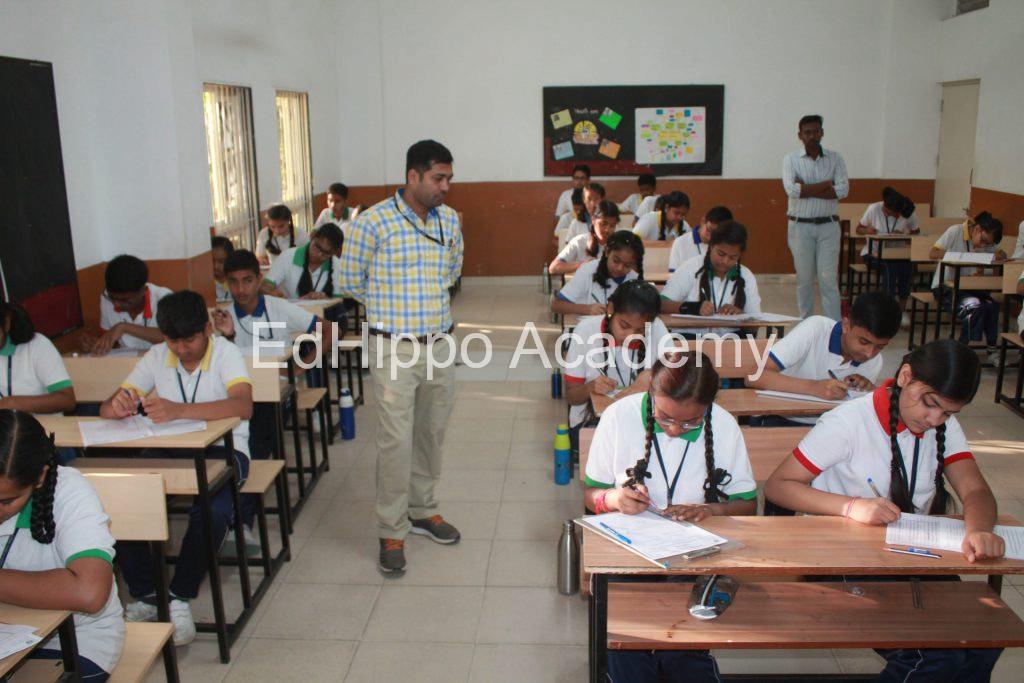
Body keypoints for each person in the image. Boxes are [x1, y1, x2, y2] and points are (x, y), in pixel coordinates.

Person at [765, 339, 1004, 681]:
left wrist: (979, 529)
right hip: (845, 559)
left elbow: (977, 490)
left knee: (984, 637)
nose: (935, 419)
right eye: (930, 404)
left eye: (948, 413)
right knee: (933, 655)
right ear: (906, 376)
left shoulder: (943, 427)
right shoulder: (848, 422)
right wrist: (851, 507)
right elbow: (779, 486)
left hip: (912, 554)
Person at [585, 351, 756, 682]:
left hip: (694, 562)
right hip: (627, 559)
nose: (676, 430)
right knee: (628, 652)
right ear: (651, 390)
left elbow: (747, 504)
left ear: (708, 407)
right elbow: (591, 495)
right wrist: (616, 499)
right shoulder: (619, 417)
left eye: (691, 422)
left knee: (685, 656)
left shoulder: (723, 425)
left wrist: (711, 510)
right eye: (665, 418)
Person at [338, 140, 464, 575]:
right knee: (396, 440)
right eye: (437, 178)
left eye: (449, 178)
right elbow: (351, 282)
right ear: (413, 176)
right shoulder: (372, 223)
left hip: (440, 342)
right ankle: (391, 529)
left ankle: (422, 509)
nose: (445, 187)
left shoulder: (449, 220)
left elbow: (451, 273)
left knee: (432, 432)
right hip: (393, 346)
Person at [101, 290, 253, 645]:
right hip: (169, 449)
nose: (181, 349)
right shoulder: (157, 356)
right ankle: (148, 594)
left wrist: (179, 411)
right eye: (173, 341)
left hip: (225, 449)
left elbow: (243, 406)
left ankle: (179, 596)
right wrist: (116, 406)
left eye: (189, 340)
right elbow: (111, 404)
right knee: (119, 502)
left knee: (213, 511)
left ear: (206, 329)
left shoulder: (226, 354)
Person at [213, 248, 332, 551]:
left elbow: (329, 330)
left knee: (252, 444)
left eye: (248, 281)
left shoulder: (279, 308)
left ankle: (241, 524)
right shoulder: (220, 317)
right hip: (235, 398)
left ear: (259, 279)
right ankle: (224, 517)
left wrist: (300, 367)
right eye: (234, 282)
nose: (241, 289)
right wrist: (225, 337)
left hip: (276, 396)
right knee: (222, 449)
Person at [0, 410, 125, 680]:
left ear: (40, 477)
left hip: (72, 644)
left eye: (6, 502)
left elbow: (89, 593)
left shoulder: (69, 492)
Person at [747, 291, 902, 425]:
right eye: (864, 342)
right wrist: (814, 387)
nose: (870, 353)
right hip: (779, 418)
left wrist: (866, 395)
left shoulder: (875, 361)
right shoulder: (816, 329)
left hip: (828, 427)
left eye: (880, 347)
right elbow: (754, 376)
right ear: (846, 325)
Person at [563, 280, 668, 447]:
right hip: (592, 422)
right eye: (624, 325)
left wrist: (652, 376)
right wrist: (591, 387)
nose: (630, 336)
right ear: (610, 309)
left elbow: (677, 373)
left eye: (640, 330)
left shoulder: (656, 327)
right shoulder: (585, 330)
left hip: (641, 419)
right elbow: (571, 396)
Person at [782, 114, 849, 320]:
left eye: (816, 131)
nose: (812, 135)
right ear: (800, 135)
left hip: (828, 226)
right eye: (807, 132)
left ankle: (833, 326)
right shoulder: (791, 159)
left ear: (822, 133)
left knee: (829, 279)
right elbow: (792, 190)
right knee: (804, 279)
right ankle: (806, 323)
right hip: (800, 227)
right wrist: (826, 184)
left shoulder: (835, 158)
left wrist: (806, 188)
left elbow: (843, 190)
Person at [659, 221, 761, 337]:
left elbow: (756, 323)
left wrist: (741, 315)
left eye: (733, 257)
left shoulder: (746, 276)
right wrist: (693, 307)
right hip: (690, 340)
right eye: (721, 254)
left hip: (729, 342)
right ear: (711, 246)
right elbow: (661, 304)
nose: (725, 261)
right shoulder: (691, 267)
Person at [930, 212, 1006, 362]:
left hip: (970, 288)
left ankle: (991, 350)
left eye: (988, 244)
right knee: (975, 306)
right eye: (983, 241)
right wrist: (960, 257)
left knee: (992, 306)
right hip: (945, 287)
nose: (984, 246)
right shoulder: (955, 231)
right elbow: (933, 253)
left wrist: (998, 255)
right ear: (978, 229)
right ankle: (960, 349)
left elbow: (1002, 254)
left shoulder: (988, 240)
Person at [82, 255, 171, 356]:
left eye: (125, 300)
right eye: (113, 298)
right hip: (127, 362)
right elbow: (112, 340)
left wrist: (124, 327)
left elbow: (173, 337)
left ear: (143, 291)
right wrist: (100, 343)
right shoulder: (106, 298)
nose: (116, 304)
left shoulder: (164, 298)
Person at [0, 300, 75, 415]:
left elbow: (67, 400)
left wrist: (11, 402)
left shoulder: (37, 345)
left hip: (43, 429)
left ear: (6, 323)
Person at [552, 231, 644, 316]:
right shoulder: (588, 270)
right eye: (616, 261)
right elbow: (556, 305)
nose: (620, 268)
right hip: (588, 330)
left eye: (627, 265)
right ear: (607, 252)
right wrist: (587, 309)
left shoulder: (634, 278)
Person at [856, 187, 918, 312]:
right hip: (873, 254)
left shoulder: (907, 210)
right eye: (891, 214)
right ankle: (888, 309)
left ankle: (901, 311)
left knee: (907, 267)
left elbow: (916, 233)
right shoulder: (874, 209)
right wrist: (867, 230)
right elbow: (858, 229)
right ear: (884, 207)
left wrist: (904, 234)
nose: (895, 216)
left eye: (897, 215)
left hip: (899, 254)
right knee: (890, 266)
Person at [263, 223, 344, 301]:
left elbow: (340, 302)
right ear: (312, 237)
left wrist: (327, 301)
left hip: (322, 313)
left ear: (334, 253)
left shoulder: (337, 265)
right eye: (317, 247)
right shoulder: (288, 256)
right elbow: (265, 287)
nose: (319, 254)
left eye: (326, 253)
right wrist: (274, 294)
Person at [549, 200, 620, 275]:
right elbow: (553, 268)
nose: (607, 230)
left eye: (612, 226)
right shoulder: (579, 242)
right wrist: (581, 265)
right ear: (593, 220)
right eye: (603, 224)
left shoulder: (619, 244)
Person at [668, 206, 732, 272]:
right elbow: (673, 274)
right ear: (703, 221)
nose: (711, 236)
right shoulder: (680, 243)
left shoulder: (725, 246)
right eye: (709, 229)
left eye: (717, 234)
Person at [211, 235, 234, 304]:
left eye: (221, 261)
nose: (216, 266)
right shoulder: (205, 283)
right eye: (212, 261)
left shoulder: (236, 280)